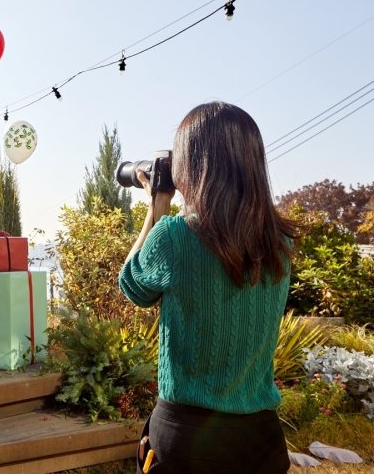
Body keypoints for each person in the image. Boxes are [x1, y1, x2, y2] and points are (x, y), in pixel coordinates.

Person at [119, 102, 297, 473]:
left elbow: (132, 286)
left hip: (187, 437)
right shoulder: (281, 242)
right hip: (261, 440)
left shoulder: (174, 236)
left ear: (191, 165)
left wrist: (157, 208)